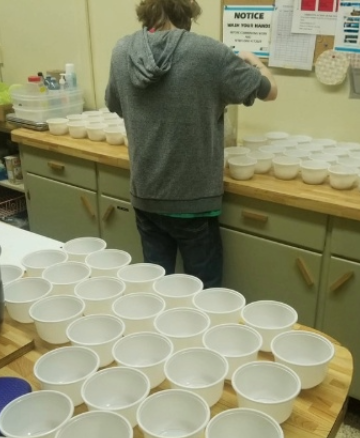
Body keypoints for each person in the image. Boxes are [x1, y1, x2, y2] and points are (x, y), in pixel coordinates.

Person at [106, 0, 277, 288]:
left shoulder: (122, 51)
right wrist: (253, 60)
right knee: (204, 295)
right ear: (188, 13)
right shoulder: (209, 53)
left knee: (155, 289)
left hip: (146, 194)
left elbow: (115, 104)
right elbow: (270, 91)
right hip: (194, 201)